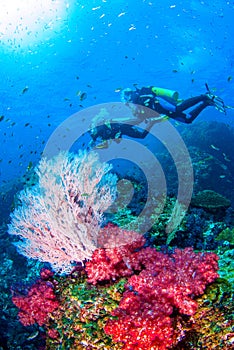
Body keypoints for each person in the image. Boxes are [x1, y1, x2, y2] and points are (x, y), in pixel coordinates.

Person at [121, 84, 226, 124]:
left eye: (125, 100)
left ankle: (204, 96)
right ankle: (205, 103)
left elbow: (142, 113)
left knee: (178, 109)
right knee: (187, 119)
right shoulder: (136, 101)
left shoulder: (135, 97)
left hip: (159, 103)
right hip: (162, 110)